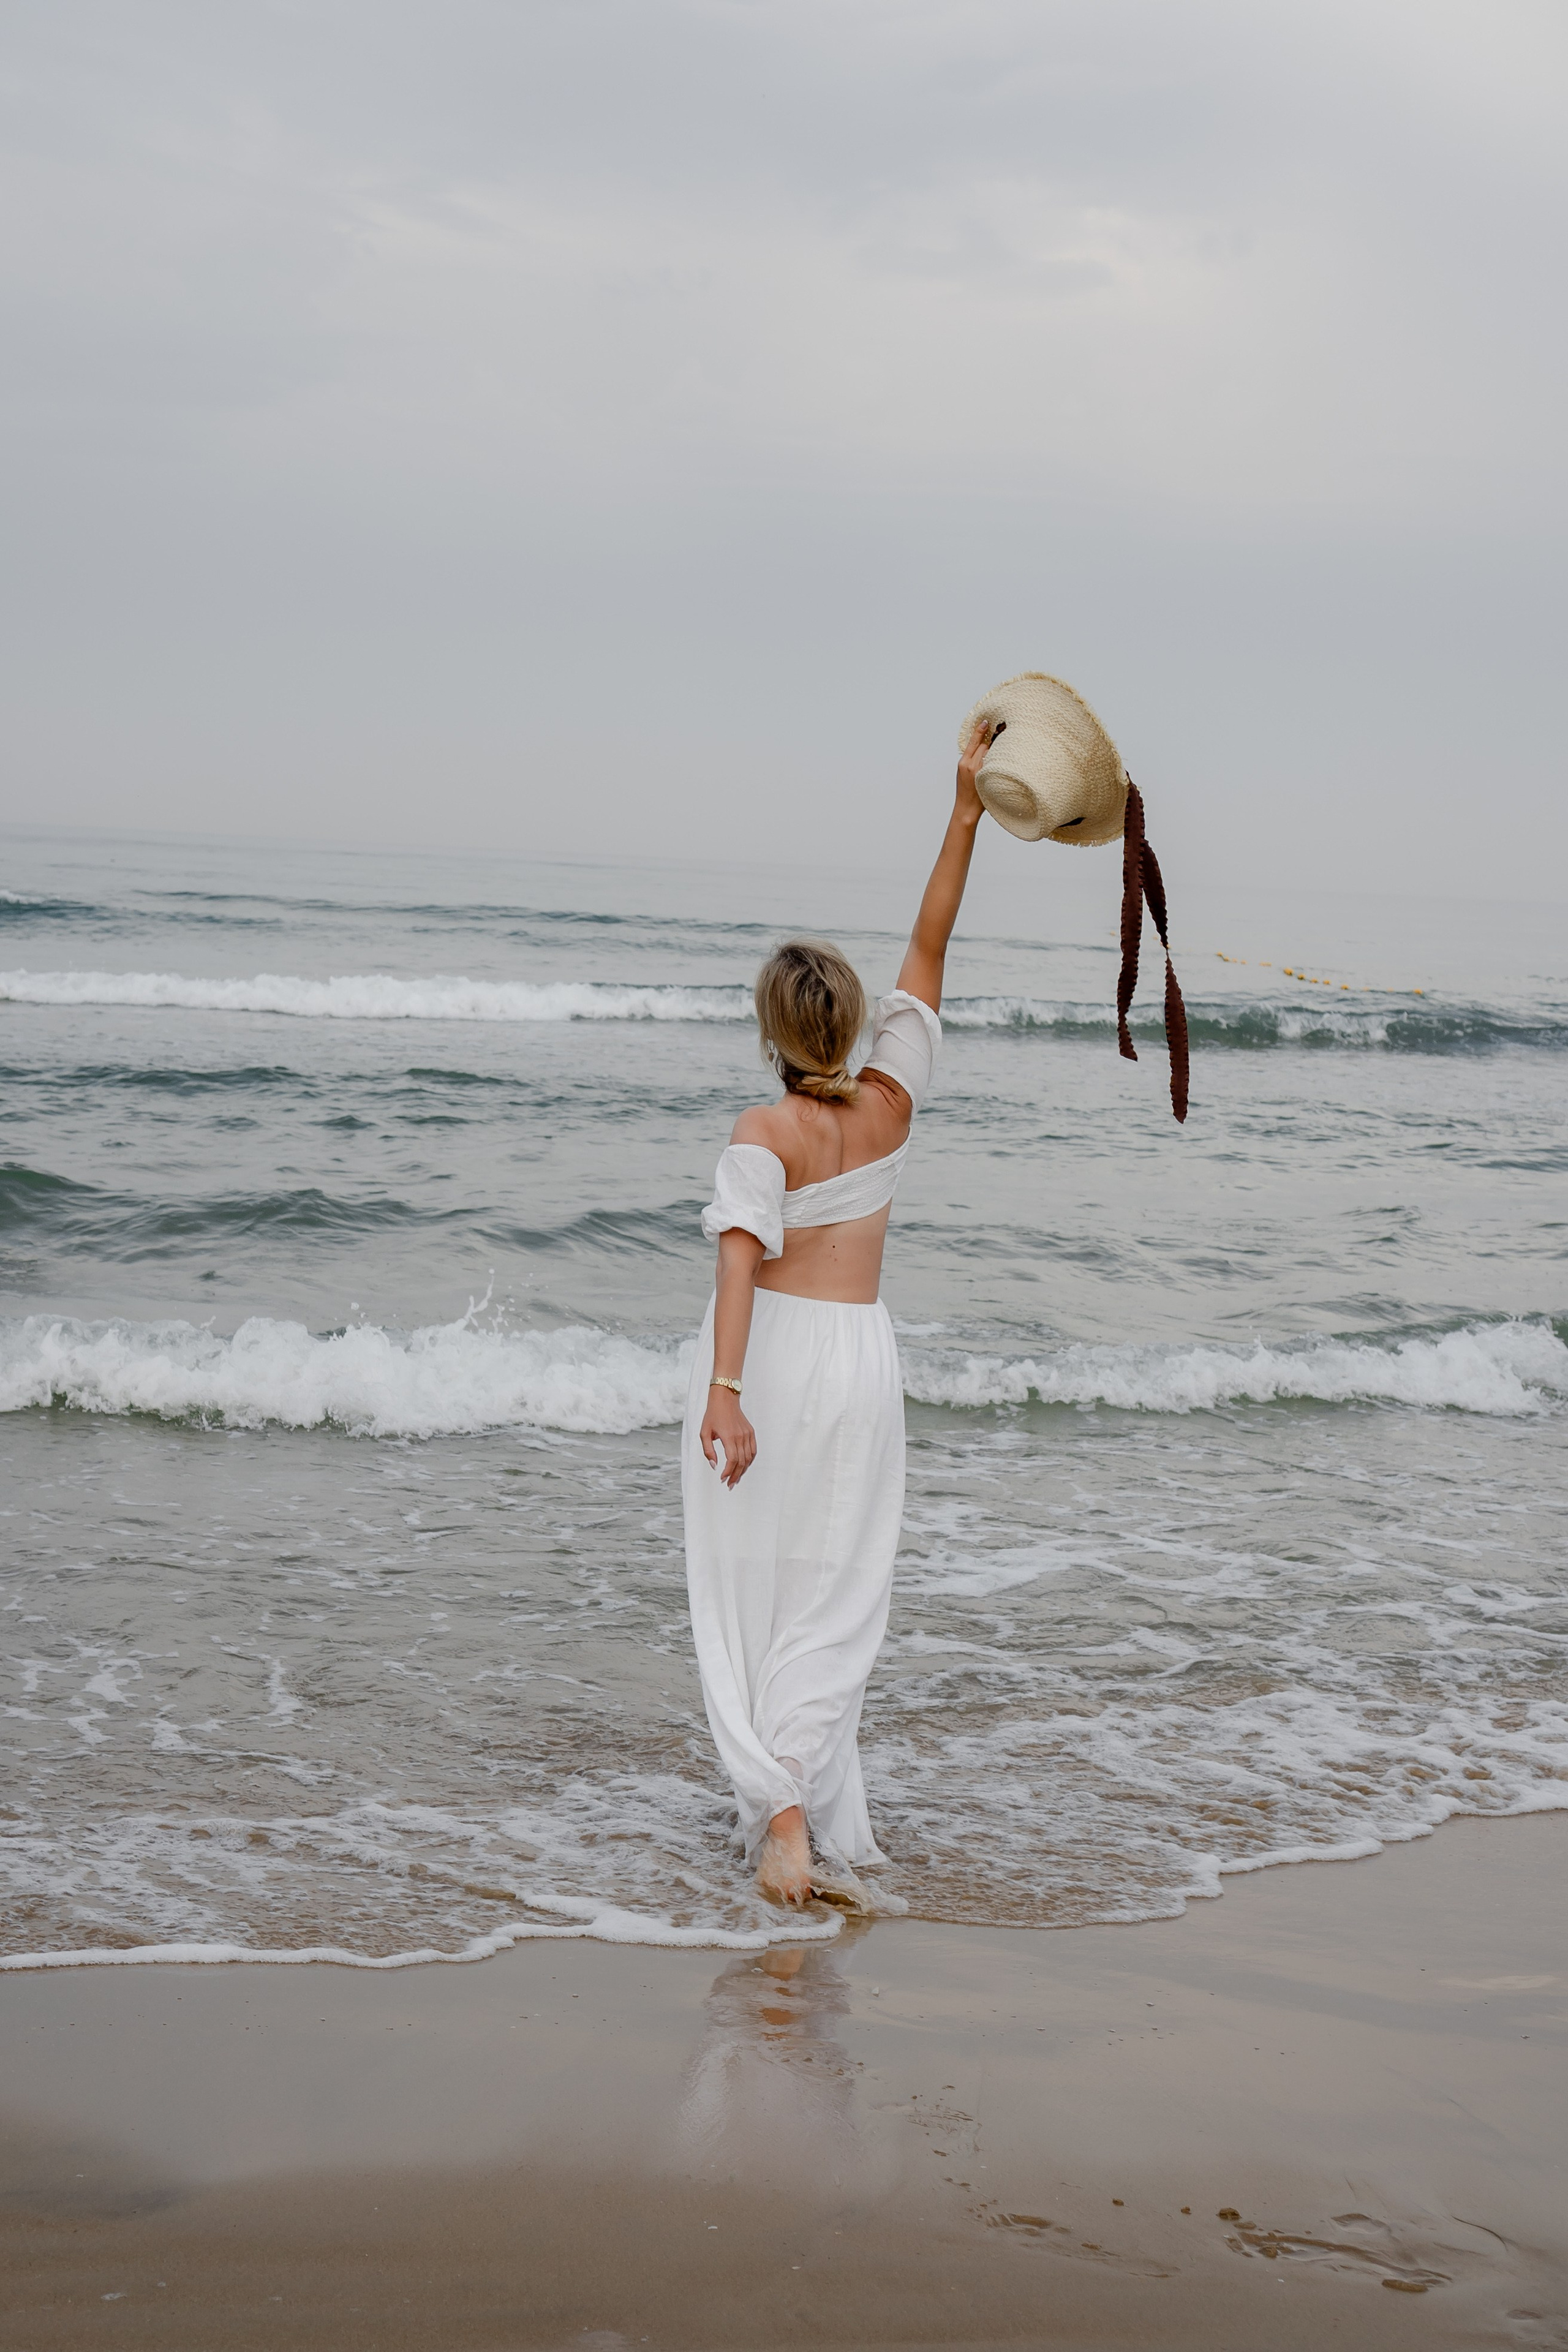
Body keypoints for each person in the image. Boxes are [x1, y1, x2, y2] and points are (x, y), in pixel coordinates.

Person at [682, 722, 993, 1907]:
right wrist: (963, 809)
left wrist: (723, 1394)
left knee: (743, 1586)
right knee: (833, 1587)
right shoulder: (891, 1102)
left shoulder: (759, 1135)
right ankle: (797, 1799)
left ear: (771, 1033)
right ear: (852, 1023)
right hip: (862, 1363)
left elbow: (736, 1261)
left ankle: (779, 1807)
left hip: (766, 1363)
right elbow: (930, 936)